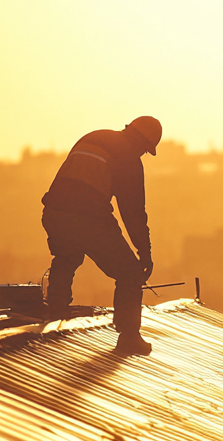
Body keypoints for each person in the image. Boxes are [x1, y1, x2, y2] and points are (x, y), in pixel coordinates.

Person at [41, 116, 161, 355]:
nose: (143, 154)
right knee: (129, 274)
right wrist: (144, 254)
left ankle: (54, 314)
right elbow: (133, 212)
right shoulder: (128, 158)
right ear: (140, 141)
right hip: (88, 217)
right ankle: (129, 336)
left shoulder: (94, 136)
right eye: (145, 150)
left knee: (66, 257)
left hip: (54, 212)